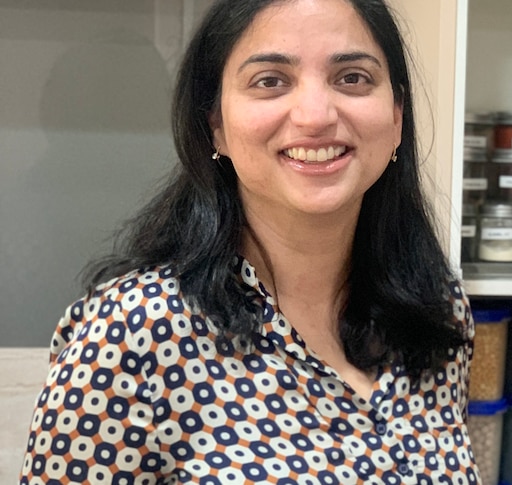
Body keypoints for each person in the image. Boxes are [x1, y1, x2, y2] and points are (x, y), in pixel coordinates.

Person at [19, 0, 479, 483]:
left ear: (397, 116)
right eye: (270, 81)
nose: (316, 114)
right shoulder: (133, 335)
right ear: (216, 123)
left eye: (352, 78)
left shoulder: (438, 313)